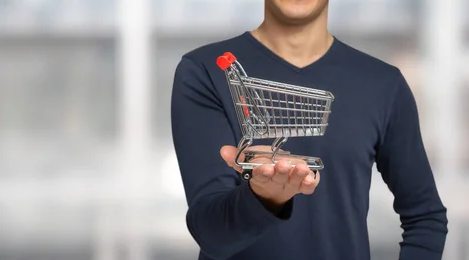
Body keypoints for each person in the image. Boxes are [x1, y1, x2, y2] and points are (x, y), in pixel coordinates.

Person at [170, 0, 448, 260]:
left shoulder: (383, 84)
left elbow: (425, 217)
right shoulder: (203, 72)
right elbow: (211, 235)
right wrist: (264, 198)